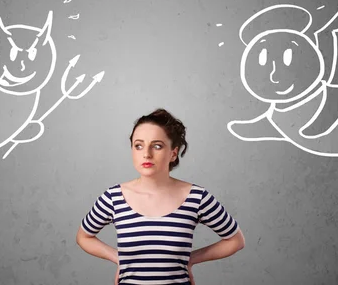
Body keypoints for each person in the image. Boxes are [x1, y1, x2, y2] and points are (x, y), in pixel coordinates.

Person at [76, 108, 246, 284]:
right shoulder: (113, 198)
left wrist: (190, 259)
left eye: (157, 146)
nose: (146, 154)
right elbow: (83, 237)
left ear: (173, 153)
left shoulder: (197, 197)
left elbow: (236, 240)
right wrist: (119, 258)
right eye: (138, 145)